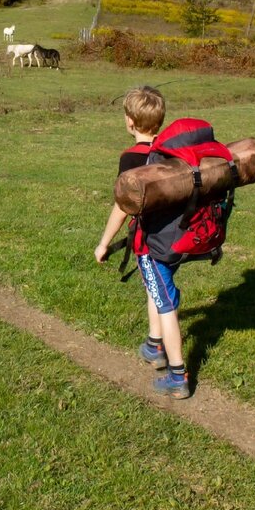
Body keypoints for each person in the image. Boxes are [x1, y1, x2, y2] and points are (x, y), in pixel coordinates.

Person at [93, 85, 190, 399]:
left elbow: (122, 207)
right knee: (157, 287)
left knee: (166, 304)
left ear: (129, 123)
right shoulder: (171, 152)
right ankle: (153, 344)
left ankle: (177, 374)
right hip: (177, 236)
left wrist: (104, 243)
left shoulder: (131, 159)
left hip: (152, 244)